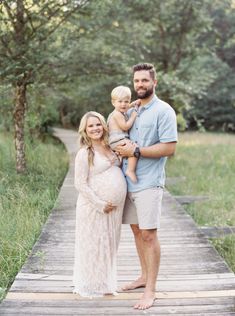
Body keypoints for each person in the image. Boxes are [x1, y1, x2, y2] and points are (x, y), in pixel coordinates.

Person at [116, 63, 178, 310]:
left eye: (144, 80)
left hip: (149, 183)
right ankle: (143, 277)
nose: (140, 84)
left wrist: (137, 151)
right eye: (136, 81)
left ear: (155, 82)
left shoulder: (164, 111)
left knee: (149, 235)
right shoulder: (132, 109)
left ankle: (150, 290)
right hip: (126, 182)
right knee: (136, 232)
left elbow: (169, 148)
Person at [73, 111, 127, 297]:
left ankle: (104, 282)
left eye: (98, 124)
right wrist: (100, 204)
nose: (95, 128)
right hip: (93, 208)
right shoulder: (85, 153)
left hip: (114, 210)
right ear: (85, 130)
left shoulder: (111, 147)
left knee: (110, 245)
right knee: (93, 245)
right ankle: (90, 284)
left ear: (104, 126)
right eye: (90, 126)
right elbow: (79, 183)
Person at [107, 86, 139, 182]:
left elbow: (125, 107)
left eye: (126, 101)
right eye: (120, 101)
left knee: (119, 161)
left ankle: (119, 170)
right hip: (118, 140)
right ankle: (130, 170)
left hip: (115, 141)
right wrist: (133, 116)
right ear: (113, 102)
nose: (123, 104)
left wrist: (132, 104)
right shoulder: (117, 114)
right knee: (134, 148)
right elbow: (125, 126)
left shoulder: (118, 111)